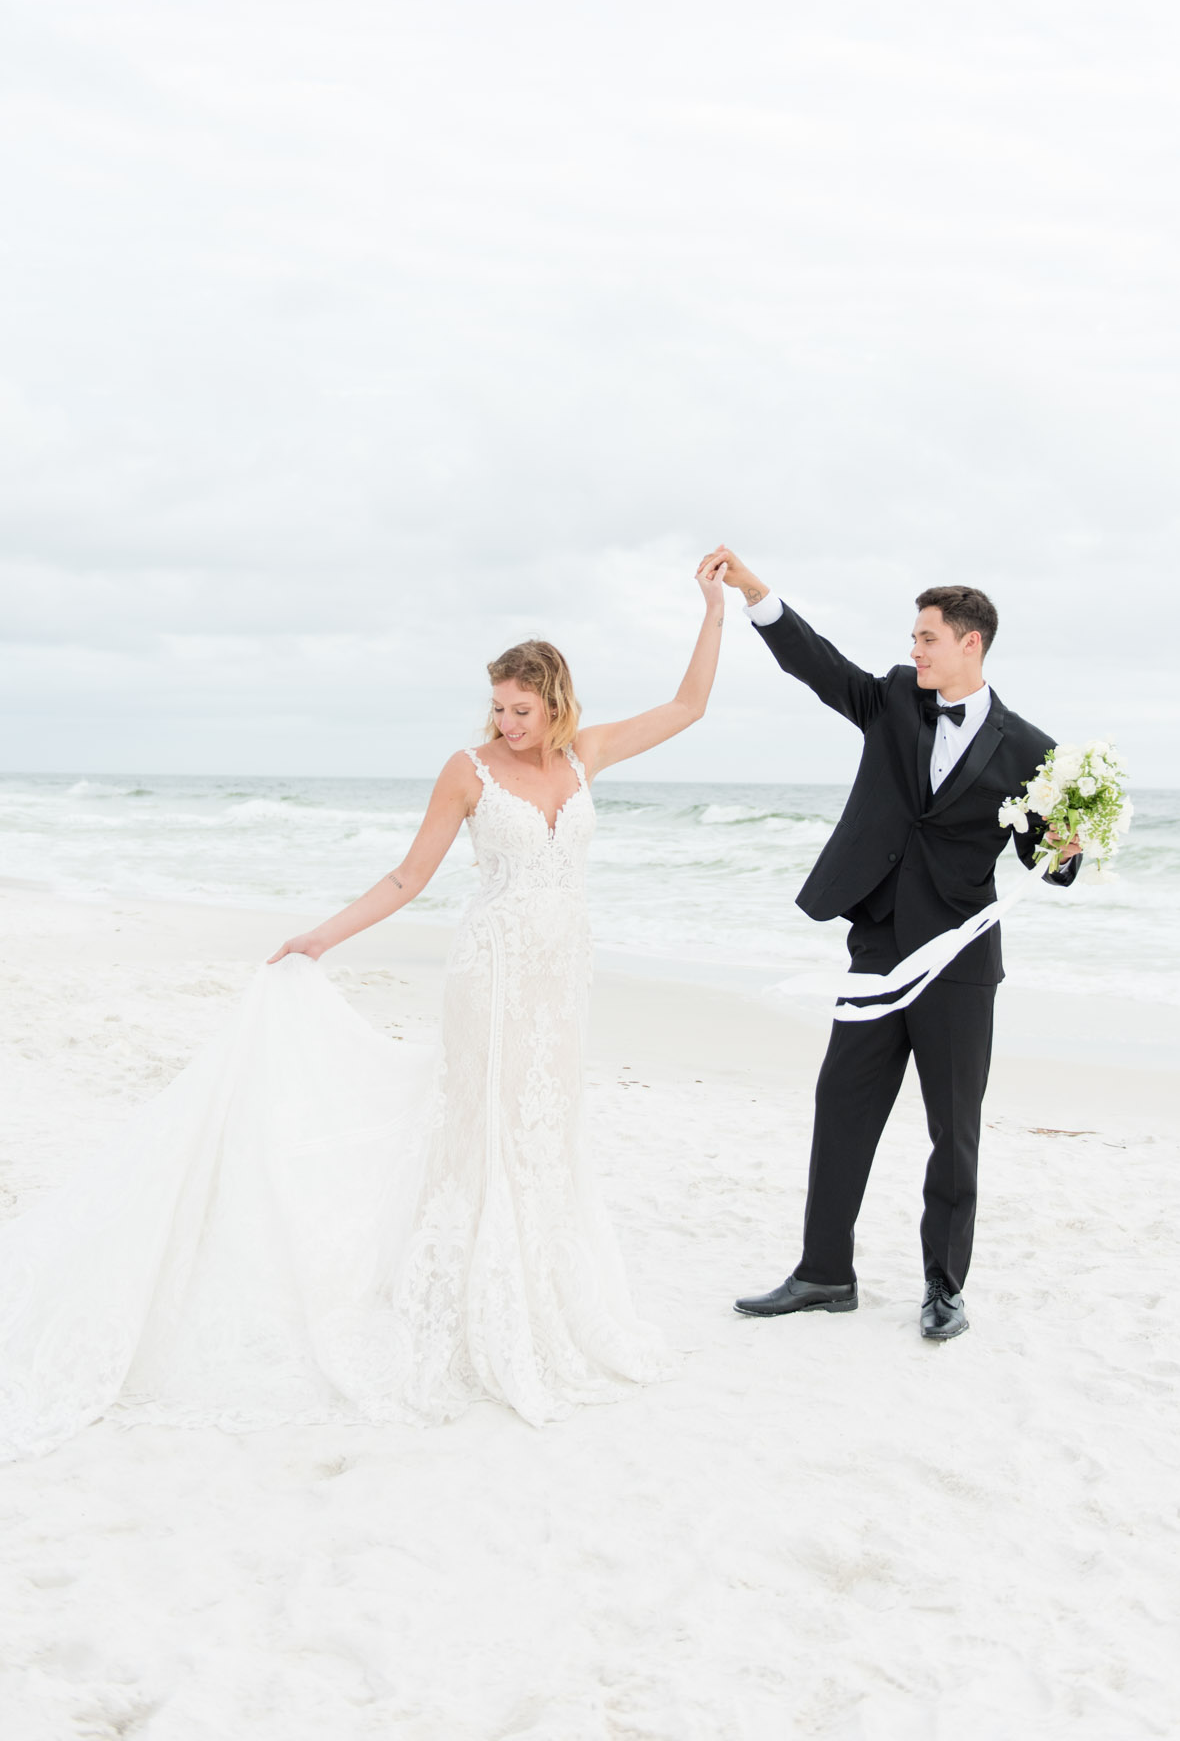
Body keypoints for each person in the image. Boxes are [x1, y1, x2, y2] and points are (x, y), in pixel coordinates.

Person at [0, 562, 728, 1459]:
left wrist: (712, 610)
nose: (505, 723)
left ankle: (539, 1296)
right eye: (498, 707)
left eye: (520, 710)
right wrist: (320, 937)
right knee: (481, 1132)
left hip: (559, 978)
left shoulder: (589, 756)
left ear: (557, 706)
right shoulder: (466, 773)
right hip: (490, 976)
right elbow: (407, 877)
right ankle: (462, 1307)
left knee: (544, 1132)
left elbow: (690, 705)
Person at [698, 546, 1080, 1343]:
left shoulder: (1030, 750)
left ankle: (944, 1288)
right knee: (841, 1104)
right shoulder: (897, 699)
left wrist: (1067, 850)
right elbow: (820, 668)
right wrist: (755, 592)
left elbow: (1039, 858)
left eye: (926, 638)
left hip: (960, 963)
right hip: (876, 946)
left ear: (969, 642)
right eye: (913, 638)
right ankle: (823, 1273)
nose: (914, 650)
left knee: (953, 1129)